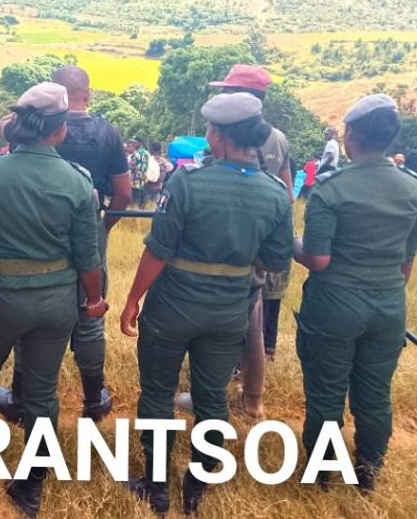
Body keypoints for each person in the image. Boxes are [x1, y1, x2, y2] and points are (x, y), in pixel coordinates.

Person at [120, 92, 292, 515]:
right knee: (213, 398)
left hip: (172, 307)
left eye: (211, 129)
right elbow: (275, 260)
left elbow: (158, 250)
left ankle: (157, 488)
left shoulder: (187, 182)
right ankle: (196, 486)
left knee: (158, 394)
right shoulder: (275, 193)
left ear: (219, 136)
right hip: (229, 312)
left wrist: (132, 299)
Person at [0, 82, 108, 518]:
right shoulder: (78, 182)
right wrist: (94, 300)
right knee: (42, 392)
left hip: (3, 295)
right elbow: (88, 258)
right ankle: (31, 486)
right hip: (57, 302)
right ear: (60, 129)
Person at [293, 93, 417, 492]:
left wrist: (292, 243)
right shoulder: (414, 191)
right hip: (388, 304)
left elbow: (317, 259)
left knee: (326, 393)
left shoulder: (332, 189)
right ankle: (369, 470)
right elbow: (406, 264)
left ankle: (323, 474)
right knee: (375, 394)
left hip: (334, 305)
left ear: (350, 134)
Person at [0, 65, 130, 424]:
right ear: (88, 93)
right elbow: (124, 193)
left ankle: (20, 395)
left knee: (31, 318)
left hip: (37, 234)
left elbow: (2, 125)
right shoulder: (107, 132)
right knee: (90, 315)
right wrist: (102, 228)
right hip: (89, 231)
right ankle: (94, 398)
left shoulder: (32, 128)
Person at [209, 64, 294, 418]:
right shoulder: (280, 138)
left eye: (227, 92)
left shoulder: (228, 136)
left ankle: (214, 393)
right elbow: (287, 193)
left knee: (219, 322)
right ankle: (251, 400)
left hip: (225, 243)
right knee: (254, 322)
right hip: (261, 243)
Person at [126, 136, 150, 207]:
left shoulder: (135, 154)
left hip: (134, 183)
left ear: (140, 143)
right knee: (140, 206)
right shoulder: (147, 153)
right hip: (143, 182)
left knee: (133, 205)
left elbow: (129, 167)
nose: (133, 144)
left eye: (135, 142)